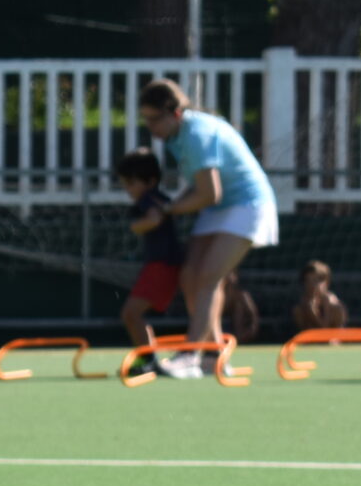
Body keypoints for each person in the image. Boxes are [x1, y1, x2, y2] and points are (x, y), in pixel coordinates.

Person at [138, 78, 275, 379]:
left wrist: (167, 210)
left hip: (247, 205)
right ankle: (213, 356)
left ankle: (191, 355)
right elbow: (200, 189)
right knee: (190, 277)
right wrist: (170, 206)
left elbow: (210, 193)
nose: (150, 126)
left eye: (154, 118)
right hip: (219, 208)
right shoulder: (176, 136)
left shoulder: (197, 133)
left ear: (174, 113)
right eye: (145, 118)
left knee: (208, 277)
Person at [114, 148, 182, 348]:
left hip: (161, 266)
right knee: (132, 314)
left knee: (130, 313)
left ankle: (148, 357)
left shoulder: (148, 199)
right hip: (162, 264)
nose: (128, 189)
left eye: (131, 183)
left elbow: (154, 219)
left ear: (151, 181)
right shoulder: (158, 198)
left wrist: (136, 226)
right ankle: (148, 355)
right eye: (125, 184)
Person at [291, 260, 347, 333]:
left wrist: (324, 309)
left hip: (333, 335)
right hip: (312, 335)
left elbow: (326, 328)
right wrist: (312, 313)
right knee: (298, 311)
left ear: (326, 282)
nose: (312, 285)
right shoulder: (303, 305)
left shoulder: (333, 304)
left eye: (316, 280)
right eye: (308, 281)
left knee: (337, 308)